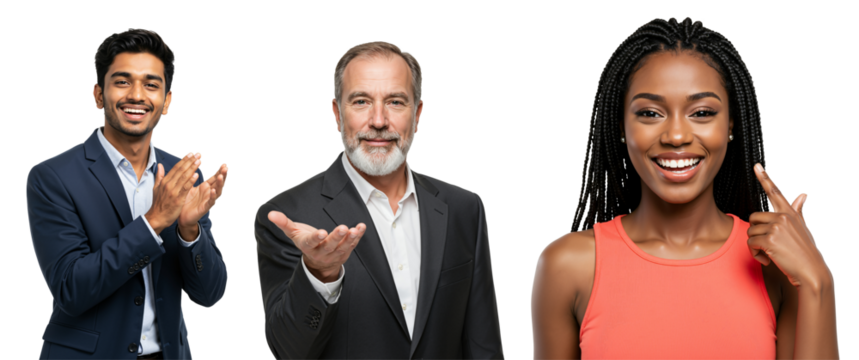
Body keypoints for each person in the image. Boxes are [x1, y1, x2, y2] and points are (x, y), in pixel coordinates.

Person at [529, 17, 839, 359]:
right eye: (650, 113)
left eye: (702, 112)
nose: (676, 136)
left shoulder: (776, 266)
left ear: (731, 124)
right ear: (621, 126)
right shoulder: (567, 266)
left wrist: (818, 281)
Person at [254, 41, 505, 359]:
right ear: (337, 114)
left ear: (417, 115)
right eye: (361, 101)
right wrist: (319, 274)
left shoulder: (464, 209)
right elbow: (288, 351)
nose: (378, 120)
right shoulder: (286, 216)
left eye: (395, 102)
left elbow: (484, 347)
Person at [26, 28, 230, 360]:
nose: (136, 95)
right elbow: (71, 290)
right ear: (98, 95)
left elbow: (210, 295)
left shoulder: (183, 176)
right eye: (122, 82)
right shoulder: (52, 177)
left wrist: (189, 230)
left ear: (167, 101)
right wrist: (154, 221)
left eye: (151, 85)